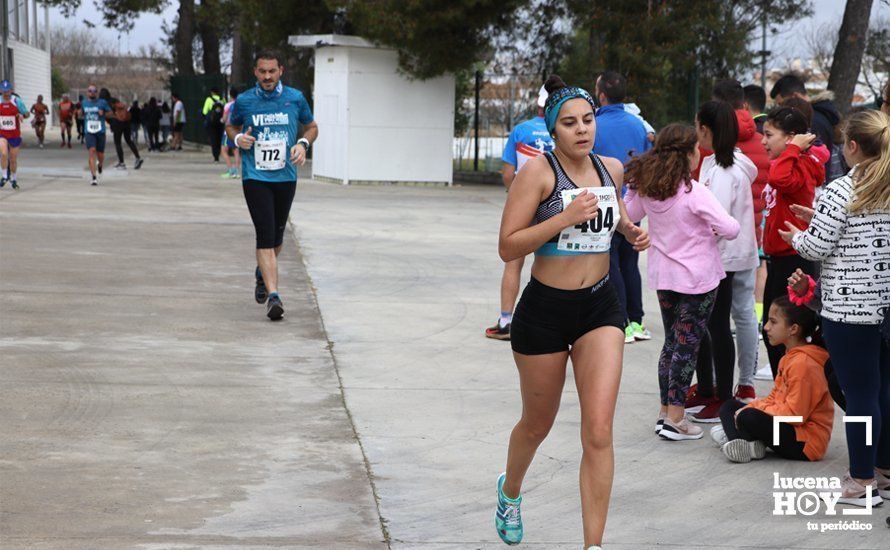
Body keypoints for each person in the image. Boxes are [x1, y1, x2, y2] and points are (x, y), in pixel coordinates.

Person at [494, 74, 648, 550]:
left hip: (601, 305)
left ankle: (593, 545)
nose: (582, 130)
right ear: (552, 130)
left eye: (587, 120)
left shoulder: (611, 169)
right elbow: (507, 246)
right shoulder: (536, 174)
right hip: (544, 310)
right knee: (537, 424)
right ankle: (510, 490)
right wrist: (563, 217)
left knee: (598, 431)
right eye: (570, 123)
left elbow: (611, 214)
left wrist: (628, 230)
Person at [780, 109, 890, 507]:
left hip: (848, 311)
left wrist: (797, 235)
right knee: (883, 389)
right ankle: (883, 467)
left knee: (859, 396)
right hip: (885, 308)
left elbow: (816, 247)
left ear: (854, 146)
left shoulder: (841, 190)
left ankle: (861, 480)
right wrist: (818, 219)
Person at [624, 123, 739, 441]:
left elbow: (630, 212)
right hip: (698, 280)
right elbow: (730, 228)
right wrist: (710, 226)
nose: (700, 153)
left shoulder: (649, 189)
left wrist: (633, 186)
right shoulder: (694, 192)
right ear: (688, 155)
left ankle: (666, 410)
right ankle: (676, 418)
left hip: (665, 277)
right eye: (696, 149)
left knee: (672, 344)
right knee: (687, 346)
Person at [226, 50, 319, 321]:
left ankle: (261, 272)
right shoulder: (244, 101)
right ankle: (274, 296)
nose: (267, 76)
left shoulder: (295, 98)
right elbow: (230, 127)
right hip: (255, 178)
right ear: (255, 72)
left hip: (286, 177)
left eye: (272, 71)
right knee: (265, 233)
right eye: (262, 71)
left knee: (277, 238)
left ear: (281, 71)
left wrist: (303, 144)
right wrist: (238, 138)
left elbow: (312, 127)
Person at [689, 100, 759, 423]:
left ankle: (723, 396)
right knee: (715, 324)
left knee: (717, 326)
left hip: (724, 258)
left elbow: (716, 219)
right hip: (726, 254)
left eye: (697, 126)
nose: (695, 133)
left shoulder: (725, 170)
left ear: (707, 129)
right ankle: (712, 388)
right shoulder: (718, 164)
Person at [713, 296, 833, 464]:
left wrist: (751, 412)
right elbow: (773, 398)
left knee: (747, 416)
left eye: (773, 322)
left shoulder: (804, 365)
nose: (767, 327)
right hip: (788, 427)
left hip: (805, 443)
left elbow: (796, 415)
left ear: (793, 329)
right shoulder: (789, 357)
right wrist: (752, 407)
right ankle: (745, 443)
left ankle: (736, 438)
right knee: (729, 407)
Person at [484, 84, 554, 341]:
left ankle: (505, 321)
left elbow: (507, 174)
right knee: (551, 264)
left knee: (513, 263)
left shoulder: (521, 130)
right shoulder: (563, 130)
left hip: (525, 208)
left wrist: (518, 198)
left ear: (537, 105)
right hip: (558, 208)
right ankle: (550, 324)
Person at [759, 105, 825, 376]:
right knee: (771, 329)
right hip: (778, 257)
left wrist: (793, 150)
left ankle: (790, 392)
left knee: (785, 332)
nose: (763, 141)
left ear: (791, 138)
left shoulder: (799, 164)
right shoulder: (791, 160)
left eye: (769, 135)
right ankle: (782, 390)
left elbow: (778, 177)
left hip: (793, 258)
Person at [592, 70, 653, 344]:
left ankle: (621, 321)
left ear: (601, 95)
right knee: (630, 262)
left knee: (610, 262)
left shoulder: (593, 125)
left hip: (603, 203)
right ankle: (637, 321)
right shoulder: (638, 125)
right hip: (633, 203)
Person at [770, 73, 840, 178]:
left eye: (782, 104)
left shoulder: (813, 121)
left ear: (795, 97)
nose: (781, 110)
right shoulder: (820, 115)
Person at [0, 80, 29, 189]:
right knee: (3, 153)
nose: (6, 94)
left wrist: (21, 115)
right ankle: (4, 176)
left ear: (11, 90)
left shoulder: (17, 101)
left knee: (13, 159)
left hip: (14, 134)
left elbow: (27, 113)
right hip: (2, 133)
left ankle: (14, 179)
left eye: (7, 91)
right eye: (3, 91)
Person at [80, 85, 111, 186]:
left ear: (96, 92)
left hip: (100, 131)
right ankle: (94, 177)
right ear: (87, 92)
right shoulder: (84, 103)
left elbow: (111, 114)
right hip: (89, 131)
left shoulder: (102, 102)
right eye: (90, 91)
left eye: (94, 91)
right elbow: (80, 114)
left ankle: (100, 164)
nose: (92, 92)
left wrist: (103, 114)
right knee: (92, 151)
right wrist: (79, 113)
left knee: (100, 154)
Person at [106, 90, 143, 170]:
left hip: (117, 124)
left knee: (118, 143)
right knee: (129, 140)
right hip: (126, 123)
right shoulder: (116, 101)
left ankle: (122, 163)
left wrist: (111, 123)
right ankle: (138, 157)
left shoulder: (107, 103)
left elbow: (109, 116)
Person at [220, 87, 242, 179]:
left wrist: (221, 120)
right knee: (236, 150)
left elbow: (224, 119)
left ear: (230, 95)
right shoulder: (240, 104)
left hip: (228, 130)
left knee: (224, 150)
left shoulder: (228, 105)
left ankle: (231, 170)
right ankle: (237, 171)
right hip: (238, 129)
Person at [204, 87, 225, 162]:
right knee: (219, 138)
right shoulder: (222, 100)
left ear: (212, 92)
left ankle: (215, 156)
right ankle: (219, 152)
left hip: (212, 122)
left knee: (213, 138)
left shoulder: (209, 99)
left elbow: (205, 111)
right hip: (220, 122)